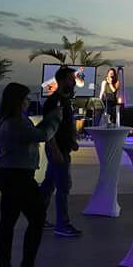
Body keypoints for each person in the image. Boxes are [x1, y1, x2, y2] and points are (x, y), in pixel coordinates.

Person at [0, 82, 62, 267]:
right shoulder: (16, 123)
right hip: (20, 178)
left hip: (8, 175)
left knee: (7, 222)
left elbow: (33, 132)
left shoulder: (8, 120)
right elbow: (42, 135)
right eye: (25, 99)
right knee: (37, 219)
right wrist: (55, 119)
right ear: (17, 101)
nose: (28, 102)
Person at [40, 66, 82, 237]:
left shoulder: (65, 101)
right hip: (58, 150)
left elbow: (65, 125)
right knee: (63, 186)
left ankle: (37, 217)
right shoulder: (54, 102)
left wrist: (72, 141)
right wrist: (55, 150)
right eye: (72, 79)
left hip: (63, 148)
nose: (74, 82)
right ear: (64, 80)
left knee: (49, 184)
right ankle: (62, 225)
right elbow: (48, 130)